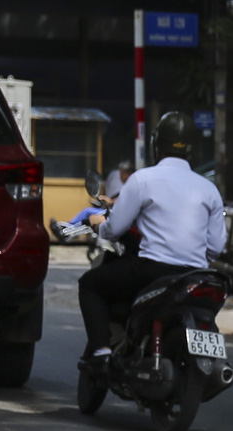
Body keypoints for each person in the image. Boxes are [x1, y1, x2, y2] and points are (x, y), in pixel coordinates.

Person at [76, 112, 223, 365]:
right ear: (192, 148)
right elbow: (216, 248)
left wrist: (98, 226)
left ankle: (101, 354)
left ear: (157, 145)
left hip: (151, 272)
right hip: (196, 275)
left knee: (89, 285)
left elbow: (114, 229)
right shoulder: (209, 189)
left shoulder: (142, 180)